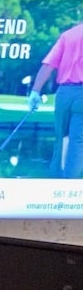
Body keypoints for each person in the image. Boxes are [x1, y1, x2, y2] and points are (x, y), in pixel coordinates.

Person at [29, 17, 83, 179]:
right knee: (77, 140)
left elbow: (48, 65)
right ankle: (68, 187)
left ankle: (55, 184)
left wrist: (35, 91)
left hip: (64, 93)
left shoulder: (68, 35)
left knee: (60, 138)